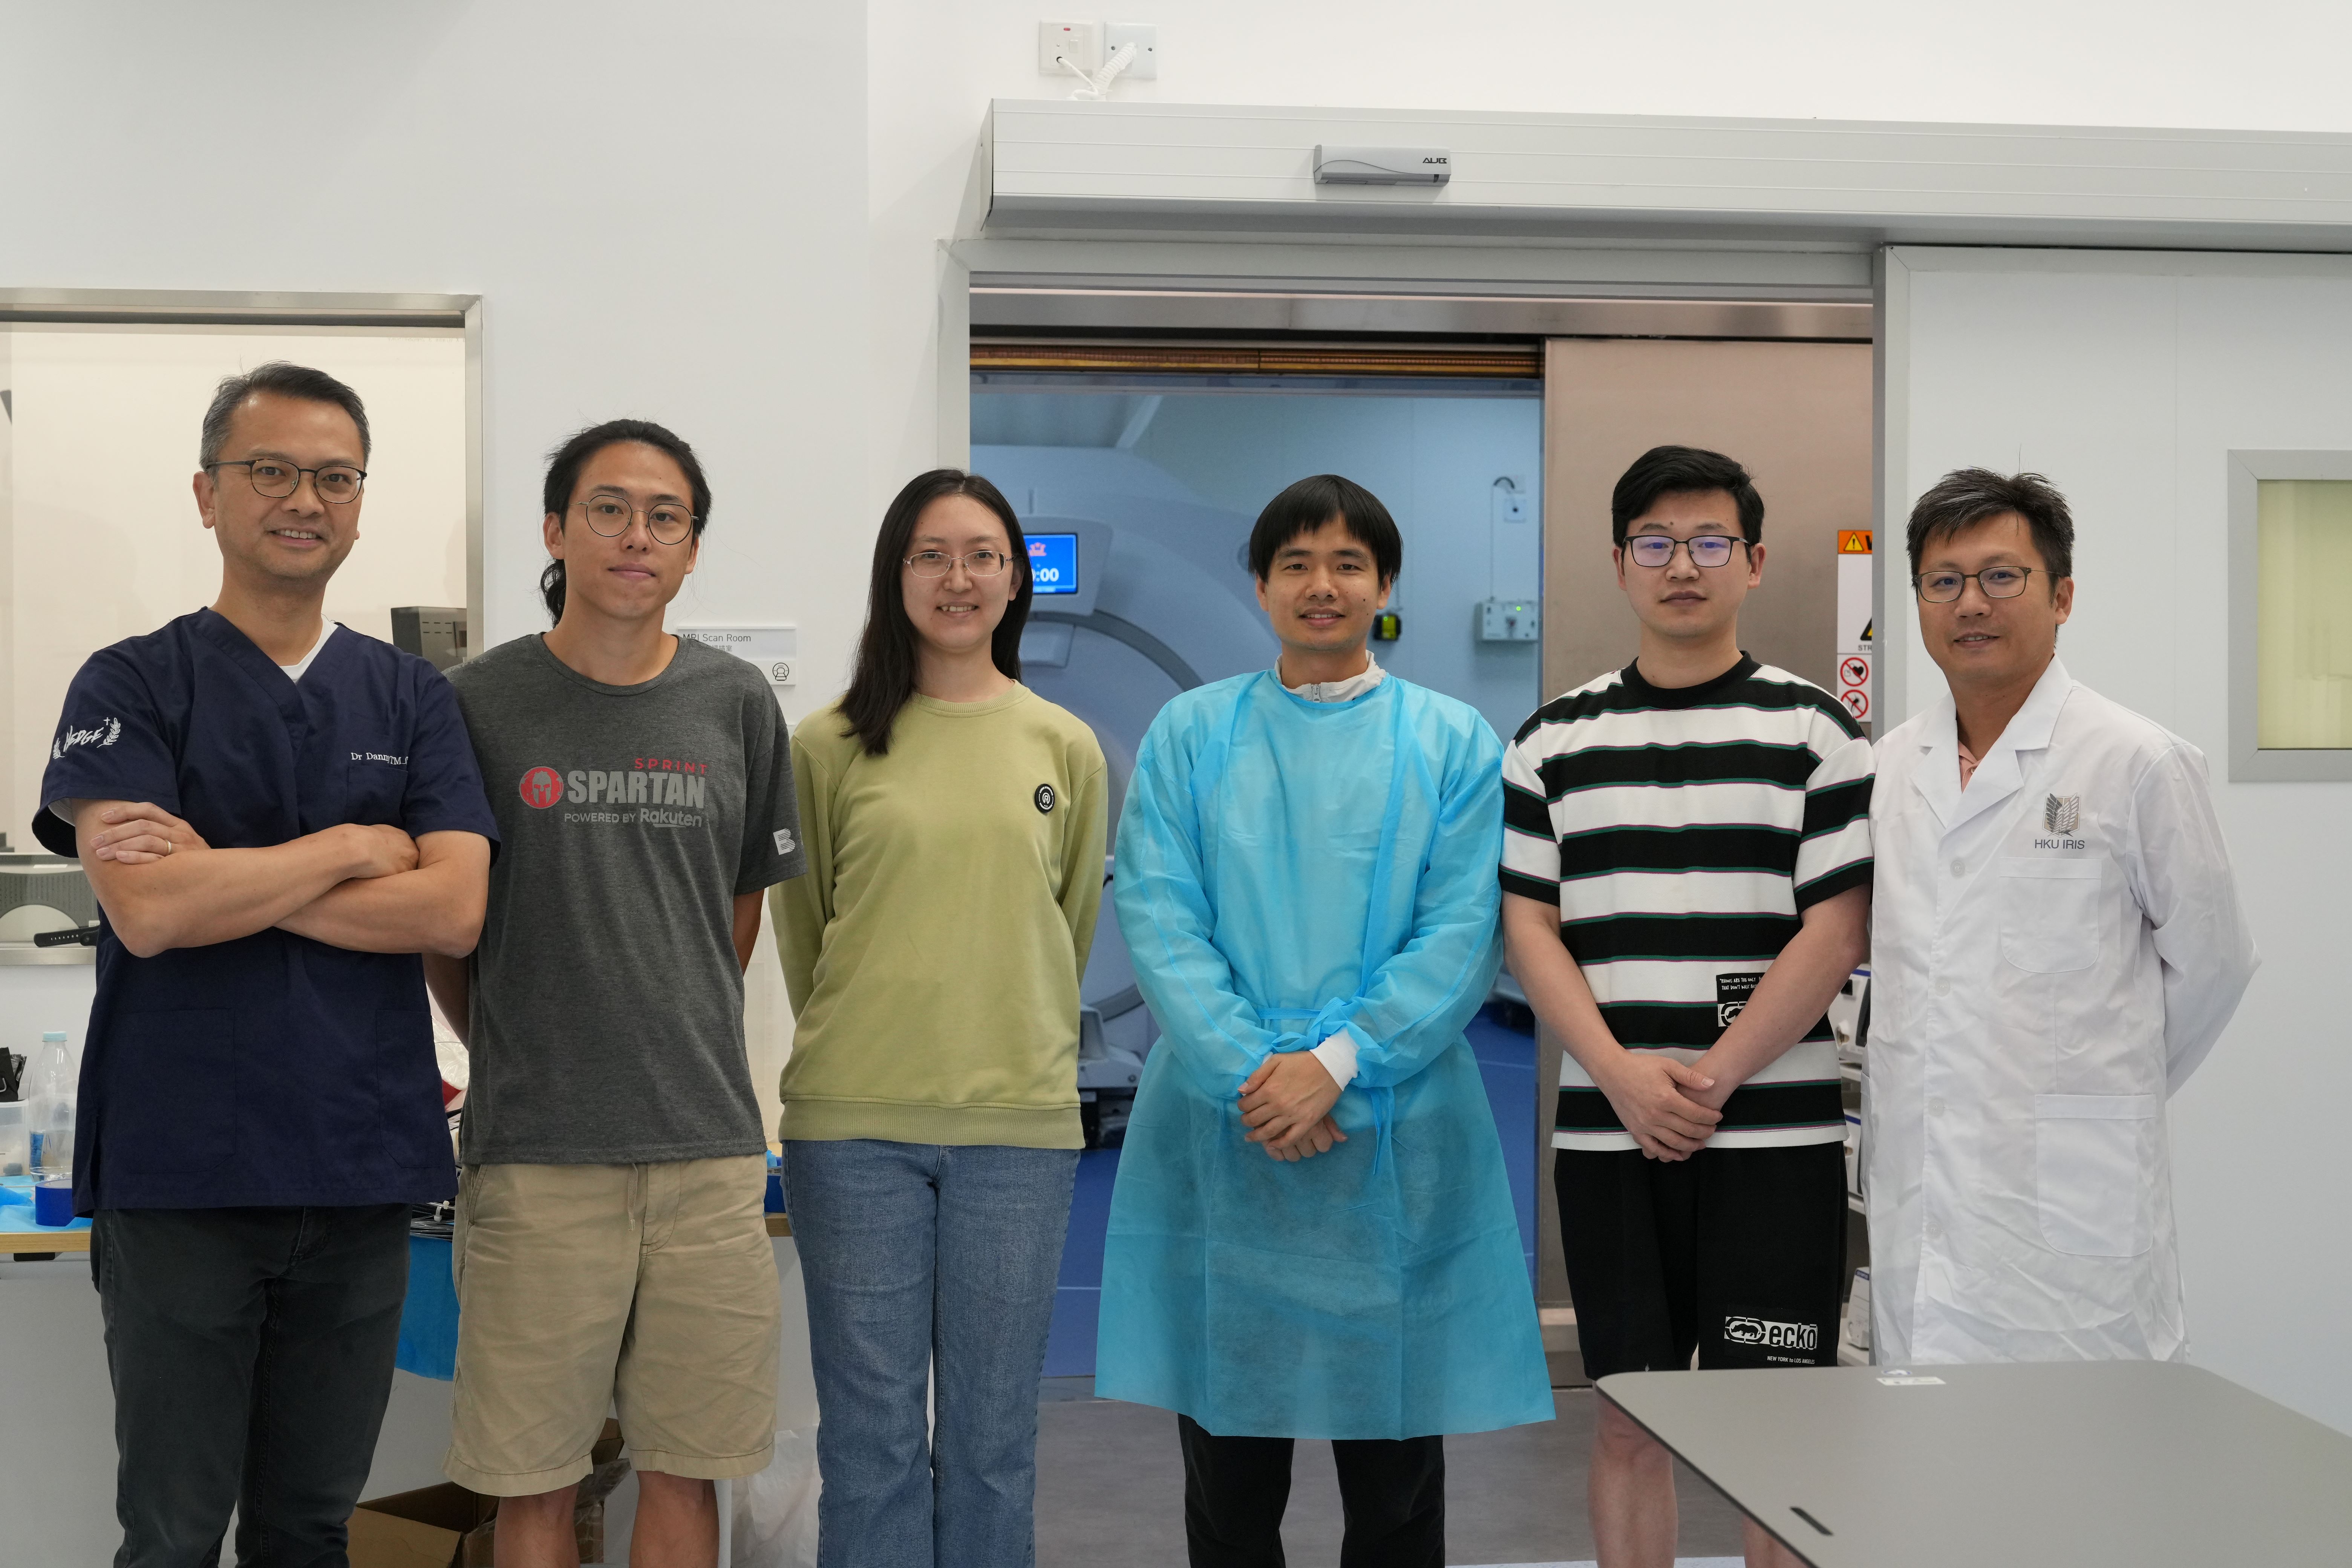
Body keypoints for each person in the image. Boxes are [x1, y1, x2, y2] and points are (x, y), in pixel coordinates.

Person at [33, 361, 497, 1567]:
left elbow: (451, 911)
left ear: (359, 500)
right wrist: (348, 849)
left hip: (356, 1173)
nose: (306, 498)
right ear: (207, 494)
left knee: (308, 1530)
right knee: (175, 1533)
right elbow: (145, 911)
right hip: (183, 1176)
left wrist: (227, 877)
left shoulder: (411, 697)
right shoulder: (132, 681)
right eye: (272, 471)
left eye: (334, 477)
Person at [1098, 473, 1551, 1568]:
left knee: (1396, 1485)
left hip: (1389, 1130)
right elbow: (1160, 914)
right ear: (1258, 586)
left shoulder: (1450, 743)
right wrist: (1263, 1070)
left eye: (1349, 563)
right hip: (1229, 1123)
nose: (1322, 585)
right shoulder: (1190, 734)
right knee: (1229, 1482)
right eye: (1296, 563)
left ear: (1385, 586)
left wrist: (1339, 1062)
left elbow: (1460, 933)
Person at [420, 420, 806, 1567]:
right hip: (536, 1157)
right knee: (535, 1485)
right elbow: (450, 931)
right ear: (554, 529)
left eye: (665, 517)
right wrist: (528, 1044)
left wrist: (660, 1014)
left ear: (691, 550)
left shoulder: (735, 704)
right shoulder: (475, 704)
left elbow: (731, 918)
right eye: (609, 508)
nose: (637, 536)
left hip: (705, 1151)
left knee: (690, 1474)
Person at [1501, 445, 1872, 1568]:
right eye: (1655, 544)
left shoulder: (1818, 733)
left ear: (1753, 564)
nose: (1683, 567)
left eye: (1711, 543)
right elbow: (1530, 930)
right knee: (1628, 1415)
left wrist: (1712, 1077)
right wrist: (1621, 1074)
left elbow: (1839, 927)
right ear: (1620, 564)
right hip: (1613, 1139)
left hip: (1778, 1138)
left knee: (1776, 1426)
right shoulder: (1553, 742)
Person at [771, 469, 1107, 1567]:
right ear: (895, 575)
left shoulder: (1066, 746)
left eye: (981, 556)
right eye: (930, 555)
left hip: (1016, 1131)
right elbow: (807, 933)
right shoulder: (826, 745)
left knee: (994, 1442)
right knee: (867, 1443)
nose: (957, 579)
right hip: (853, 1132)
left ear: (1015, 580)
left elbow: (1065, 931)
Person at [1866, 469, 2256, 1366]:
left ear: (2063, 595)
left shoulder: (2137, 760)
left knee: (2086, 1475)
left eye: (2003, 576)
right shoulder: (1889, 768)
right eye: (1944, 581)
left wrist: (2094, 1092)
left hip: (2075, 1220)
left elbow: (2216, 966)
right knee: (1923, 1481)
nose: (1972, 603)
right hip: (1923, 1198)